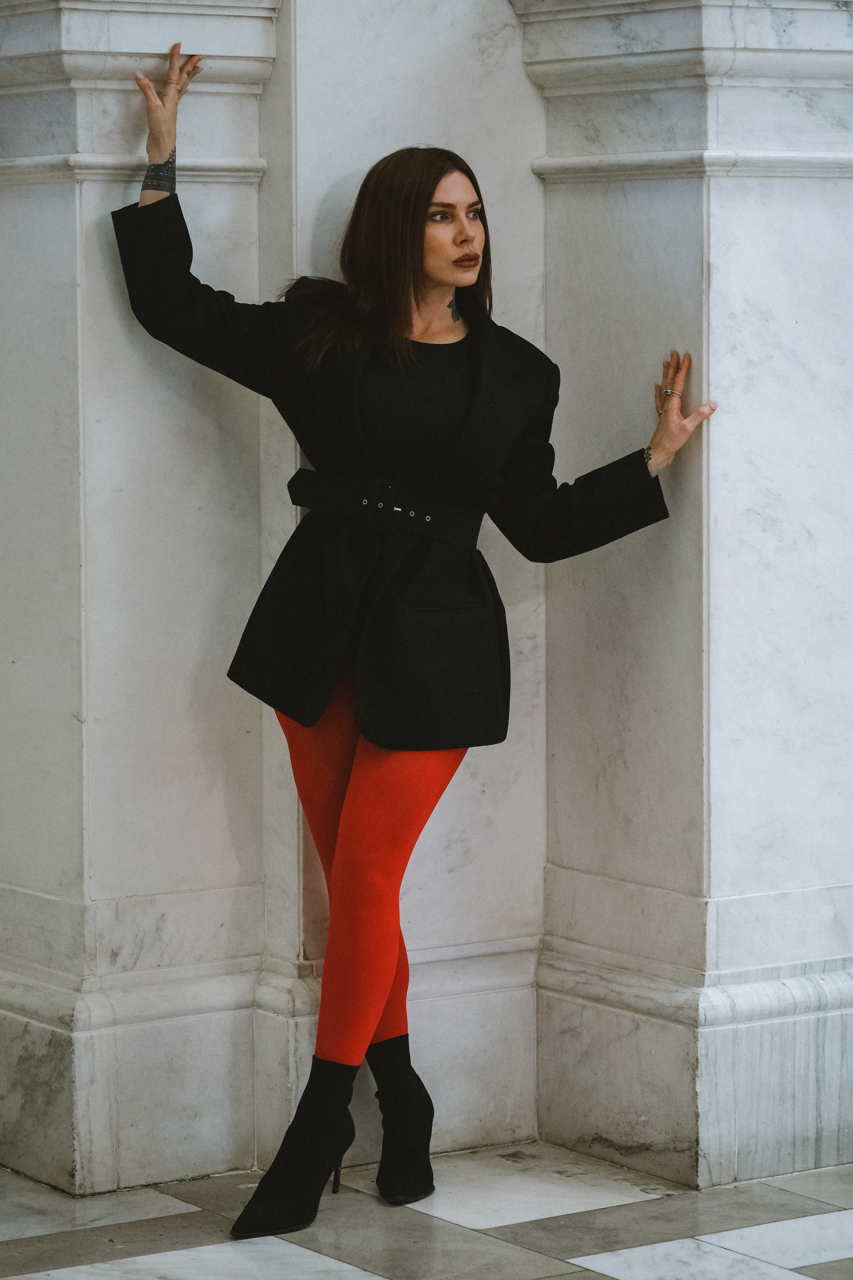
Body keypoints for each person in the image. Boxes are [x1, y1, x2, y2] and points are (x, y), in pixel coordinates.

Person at [112, 43, 717, 1242]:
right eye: (442, 213)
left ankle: (319, 1122)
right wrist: (160, 165)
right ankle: (403, 1087)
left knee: (369, 873)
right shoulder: (316, 333)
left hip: (438, 642)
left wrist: (648, 462)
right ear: (398, 229)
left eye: (475, 211)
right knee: (350, 881)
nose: (466, 229)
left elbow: (535, 527)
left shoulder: (517, 375)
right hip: (314, 623)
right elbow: (172, 306)